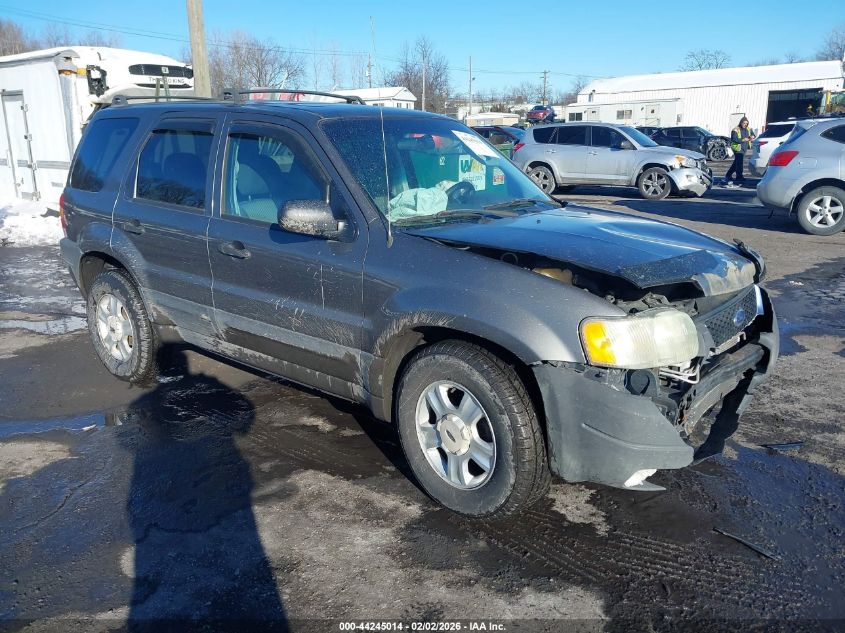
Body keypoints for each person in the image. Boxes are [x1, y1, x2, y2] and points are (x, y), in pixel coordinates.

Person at [725, 117, 755, 185]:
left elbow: (753, 135)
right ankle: (739, 176)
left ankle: (728, 175)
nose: (745, 124)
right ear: (741, 122)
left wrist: (752, 136)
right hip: (738, 148)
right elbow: (734, 139)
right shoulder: (735, 130)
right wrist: (743, 140)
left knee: (736, 163)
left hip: (744, 148)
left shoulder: (748, 129)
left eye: (746, 123)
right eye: (744, 123)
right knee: (739, 163)